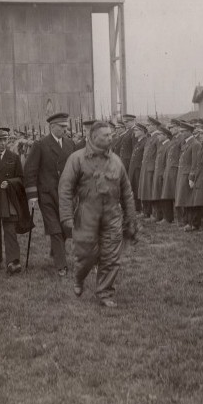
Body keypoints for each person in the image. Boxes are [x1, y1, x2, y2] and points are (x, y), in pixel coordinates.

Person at [58, 121, 138, 307]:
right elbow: (65, 189)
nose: (110, 138)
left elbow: (126, 192)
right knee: (87, 256)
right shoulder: (76, 159)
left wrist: (131, 218)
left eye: (111, 135)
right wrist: (67, 217)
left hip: (112, 216)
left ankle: (105, 293)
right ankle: (79, 279)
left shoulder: (116, 161)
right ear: (94, 137)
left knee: (111, 256)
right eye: (106, 135)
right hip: (87, 215)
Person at [22, 112, 76, 276]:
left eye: (66, 126)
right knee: (55, 228)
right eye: (62, 127)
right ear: (52, 127)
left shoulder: (69, 144)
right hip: (47, 194)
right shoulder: (40, 144)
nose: (65, 130)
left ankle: (55, 251)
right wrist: (32, 196)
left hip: (66, 194)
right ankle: (61, 265)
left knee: (65, 227)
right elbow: (30, 171)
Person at [0, 127, 30, 274]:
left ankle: (13, 261)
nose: (2, 143)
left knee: (10, 231)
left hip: (8, 201)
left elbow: (21, 179)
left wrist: (10, 182)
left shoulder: (13, 157)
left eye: (5, 139)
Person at [162, 120, 188, 225]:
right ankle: (170, 218)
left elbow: (183, 154)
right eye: (170, 128)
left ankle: (182, 219)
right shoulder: (173, 139)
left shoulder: (182, 139)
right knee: (169, 194)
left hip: (176, 170)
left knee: (179, 195)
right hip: (170, 170)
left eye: (172, 127)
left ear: (178, 127)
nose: (171, 130)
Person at [175, 120, 200, 230]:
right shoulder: (186, 143)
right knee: (184, 200)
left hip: (188, 175)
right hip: (182, 174)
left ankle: (193, 223)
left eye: (184, 131)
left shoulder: (195, 144)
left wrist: (192, 177)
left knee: (190, 200)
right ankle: (186, 222)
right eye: (181, 131)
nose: (181, 133)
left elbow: (195, 163)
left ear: (190, 132)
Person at [138, 117, 163, 218]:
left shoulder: (157, 137)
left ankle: (155, 214)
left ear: (155, 126)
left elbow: (159, 154)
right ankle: (146, 212)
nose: (147, 127)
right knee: (145, 191)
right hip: (146, 167)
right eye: (147, 125)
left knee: (152, 191)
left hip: (152, 169)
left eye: (149, 125)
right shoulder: (150, 137)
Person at [151, 123, 172, 223]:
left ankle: (167, 217)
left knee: (164, 197)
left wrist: (163, 174)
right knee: (158, 195)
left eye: (160, 134)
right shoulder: (162, 145)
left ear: (165, 135)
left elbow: (167, 162)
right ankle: (159, 215)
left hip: (163, 175)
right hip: (158, 174)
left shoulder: (168, 145)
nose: (158, 136)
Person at [127, 123, 147, 213]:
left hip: (139, 169)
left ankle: (142, 209)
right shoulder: (138, 142)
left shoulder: (145, 141)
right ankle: (137, 208)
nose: (134, 132)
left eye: (136, 130)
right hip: (134, 170)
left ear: (142, 132)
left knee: (139, 188)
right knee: (134, 188)